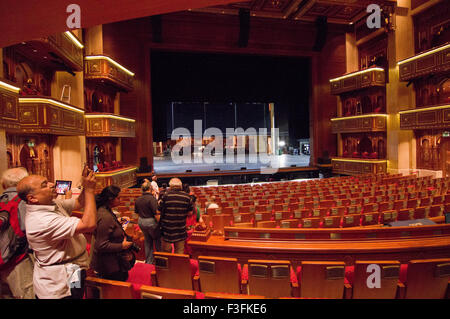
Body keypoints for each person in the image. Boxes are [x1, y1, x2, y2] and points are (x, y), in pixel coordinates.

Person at [17, 168, 96, 299]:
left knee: (76, 294)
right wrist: (90, 190)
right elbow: (89, 224)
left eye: (48, 181)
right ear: (32, 198)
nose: (52, 184)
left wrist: (84, 184)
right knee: (71, 296)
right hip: (58, 285)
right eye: (44, 185)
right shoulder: (41, 221)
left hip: (72, 269)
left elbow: (79, 202)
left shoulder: (51, 204)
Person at [0, 167, 34, 299]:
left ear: (3, 184)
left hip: (2, 261)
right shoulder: (24, 202)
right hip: (19, 261)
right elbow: (31, 233)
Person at [90, 185, 133, 281]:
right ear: (110, 199)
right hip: (109, 266)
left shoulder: (105, 210)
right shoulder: (105, 216)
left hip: (112, 263)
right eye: (118, 198)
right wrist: (122, 246)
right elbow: (100, 245)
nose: (120, 200)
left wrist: (116, 223)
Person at [158, 178, 193, 254]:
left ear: (170, 186)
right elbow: (190, 213)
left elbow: (158, 210)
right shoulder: (187, 197)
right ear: (180, 186)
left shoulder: (165, 196)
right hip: (180, 229)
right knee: (179, 253)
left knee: (166, 253)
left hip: (166, 230)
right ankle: (177, 266)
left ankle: (169, 266)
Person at [135, 181, 160, 264]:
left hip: (141, 221)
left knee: (147, 241)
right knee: (157, 240)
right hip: (150, 222)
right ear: (150, 188)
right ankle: (159, 261)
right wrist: (160, 224)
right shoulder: (152, 199)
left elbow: (137, 212)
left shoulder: (138, 199)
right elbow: (156, 213)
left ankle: (148, 262)